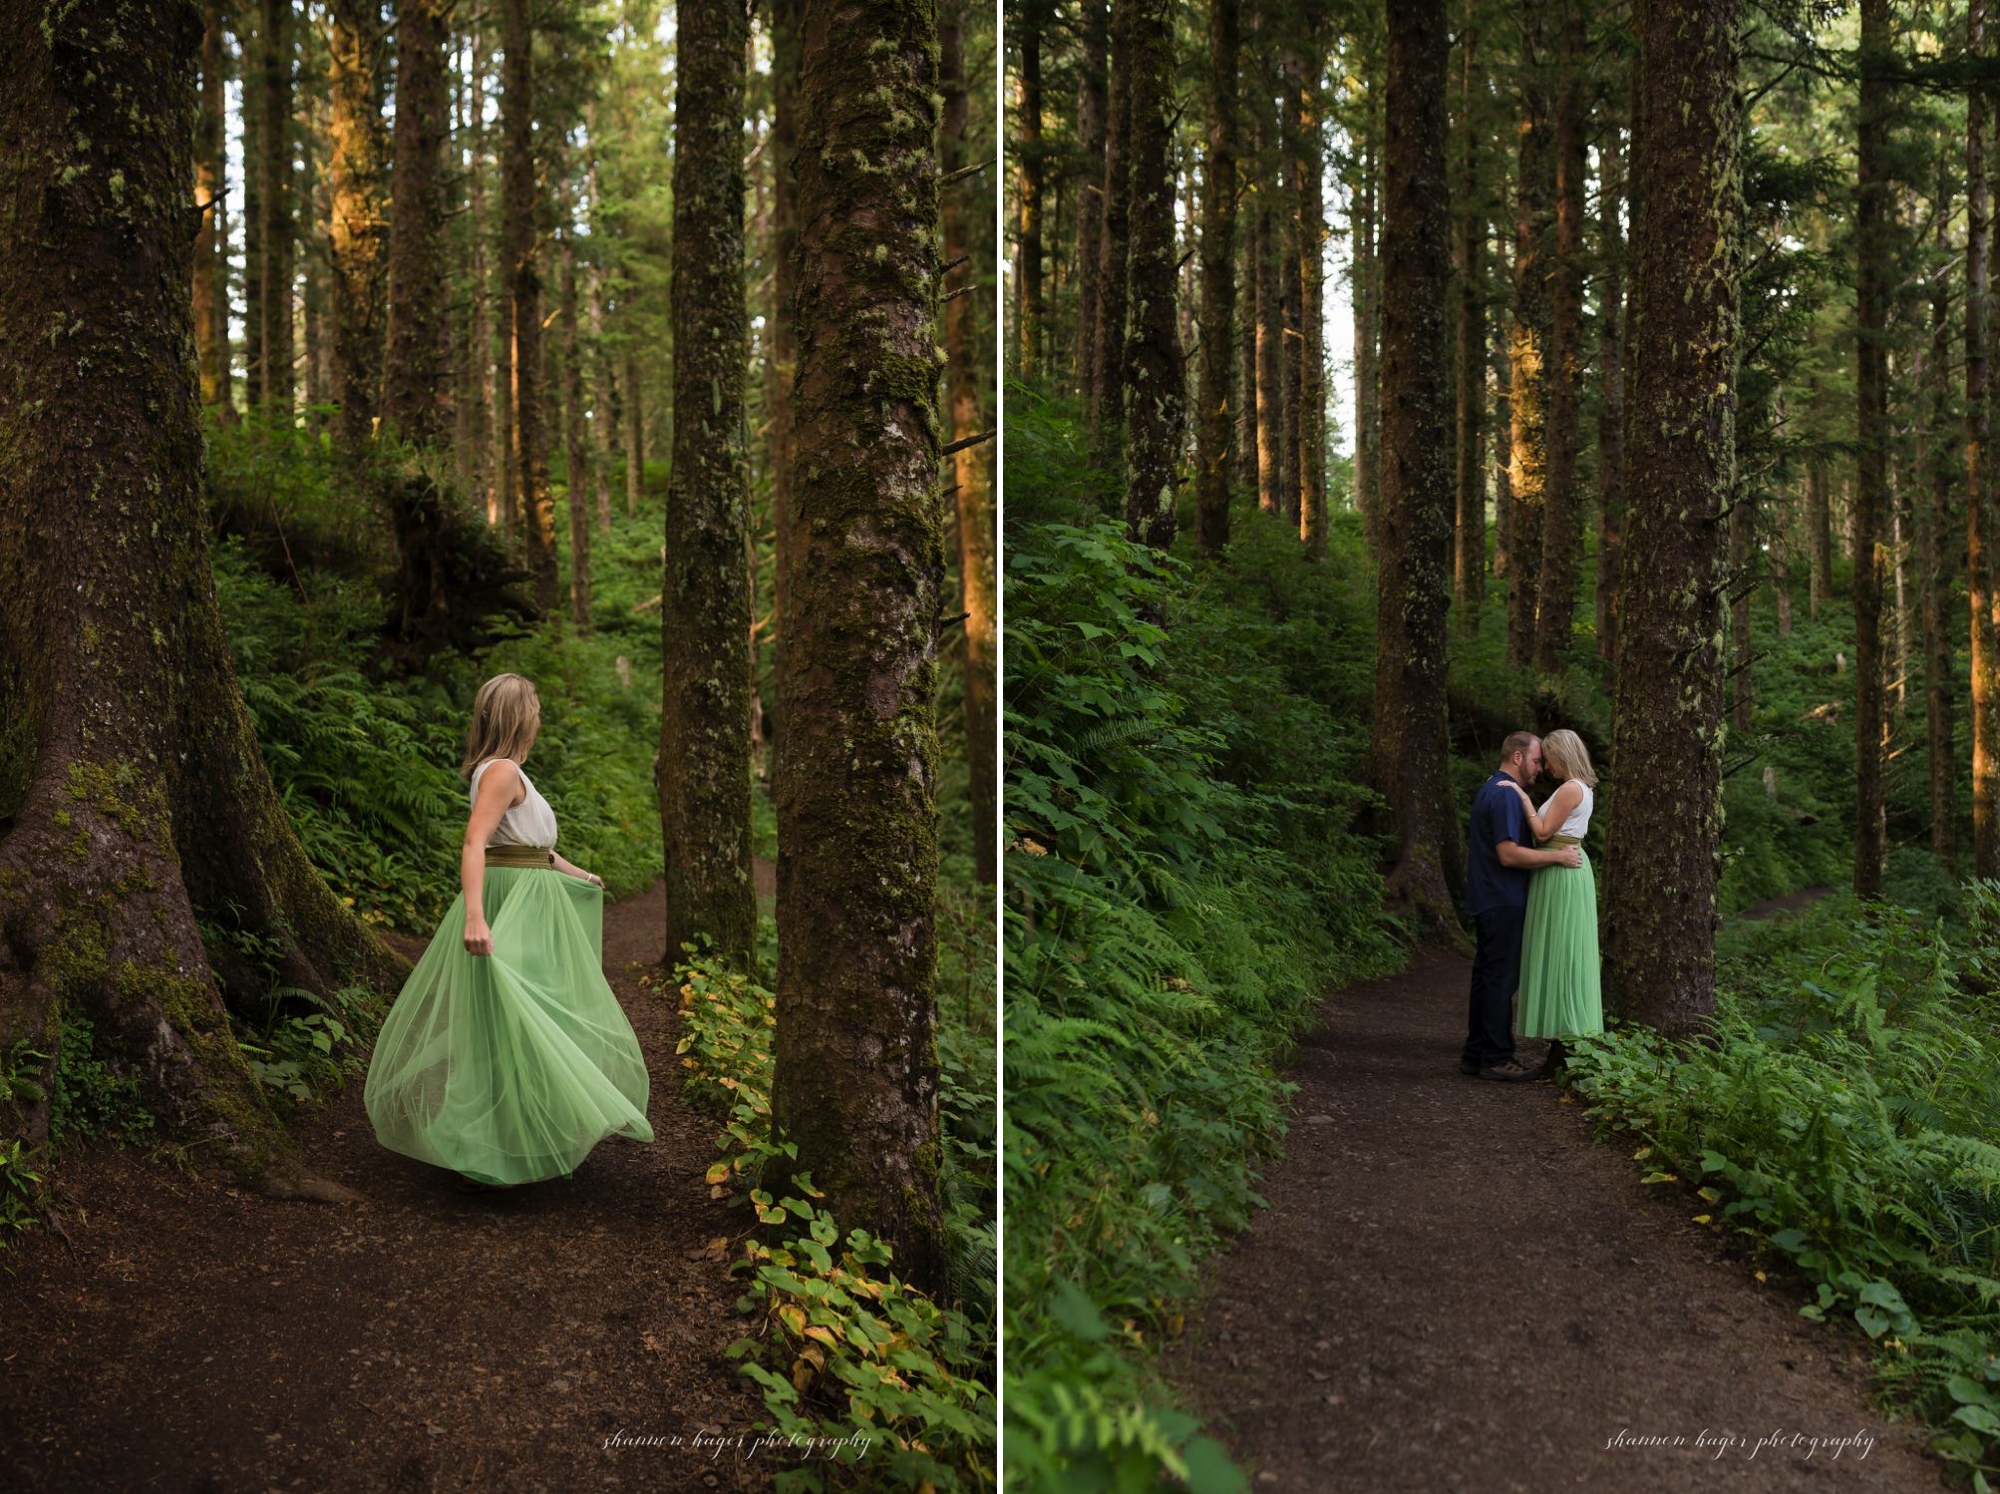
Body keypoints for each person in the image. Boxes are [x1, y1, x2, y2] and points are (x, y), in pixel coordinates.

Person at [364, 672, 655, 1193]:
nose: (540, 717)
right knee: (520, 1017)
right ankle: (490, 1142)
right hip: (510, 904)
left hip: (528, 896)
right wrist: (475, 916)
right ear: (521, 715)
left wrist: (577, 874)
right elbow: (476, 843)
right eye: (536, 708)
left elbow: (529, 846)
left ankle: (521, 1133)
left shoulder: (509, 771)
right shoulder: (500, 772)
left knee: (521, 1018)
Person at [1461, 732, 1583, 1082]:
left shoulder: (1494, 789)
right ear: (1517, 757)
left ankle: (1476, 1053)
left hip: (1490, 896)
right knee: (1500, 980)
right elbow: (1508, 853)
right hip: (1503, 898)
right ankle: (1497, 1057)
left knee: (1486, 977)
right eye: (1535, 761)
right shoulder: (1505, 797)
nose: (1541, 769)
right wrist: (1557, 856)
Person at [1505, 728, 1603, 1079]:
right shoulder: (1582, 788)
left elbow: (1544, 833)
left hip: (1560, 870)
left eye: (1548, 758)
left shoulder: (1571, 788)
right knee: (1563, 948)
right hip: (1560, 868)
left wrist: (1521, 796)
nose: (1544, 765)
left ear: (1562, 755)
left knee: (1562, 950)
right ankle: (1563, 1047)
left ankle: (1566, 1043)